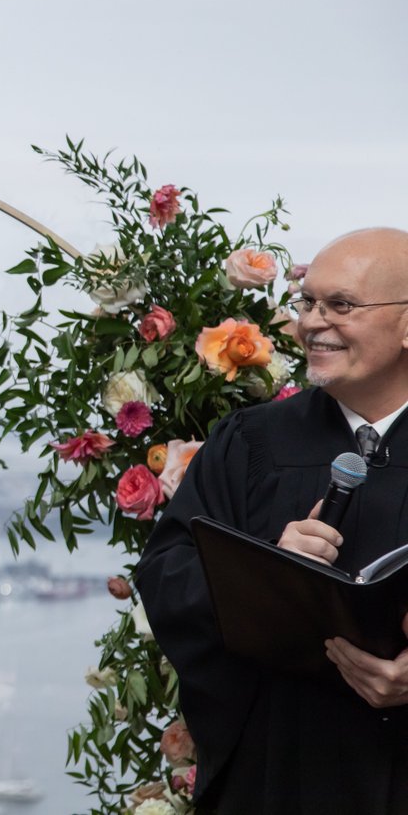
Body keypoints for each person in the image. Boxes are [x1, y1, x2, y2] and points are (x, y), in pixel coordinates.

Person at [136, 227, 408, 813]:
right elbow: (164, 572)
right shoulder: (252, 441)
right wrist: (261, 565)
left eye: (341, 305)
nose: (313, 322)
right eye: (308, 303)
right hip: (280, 770)